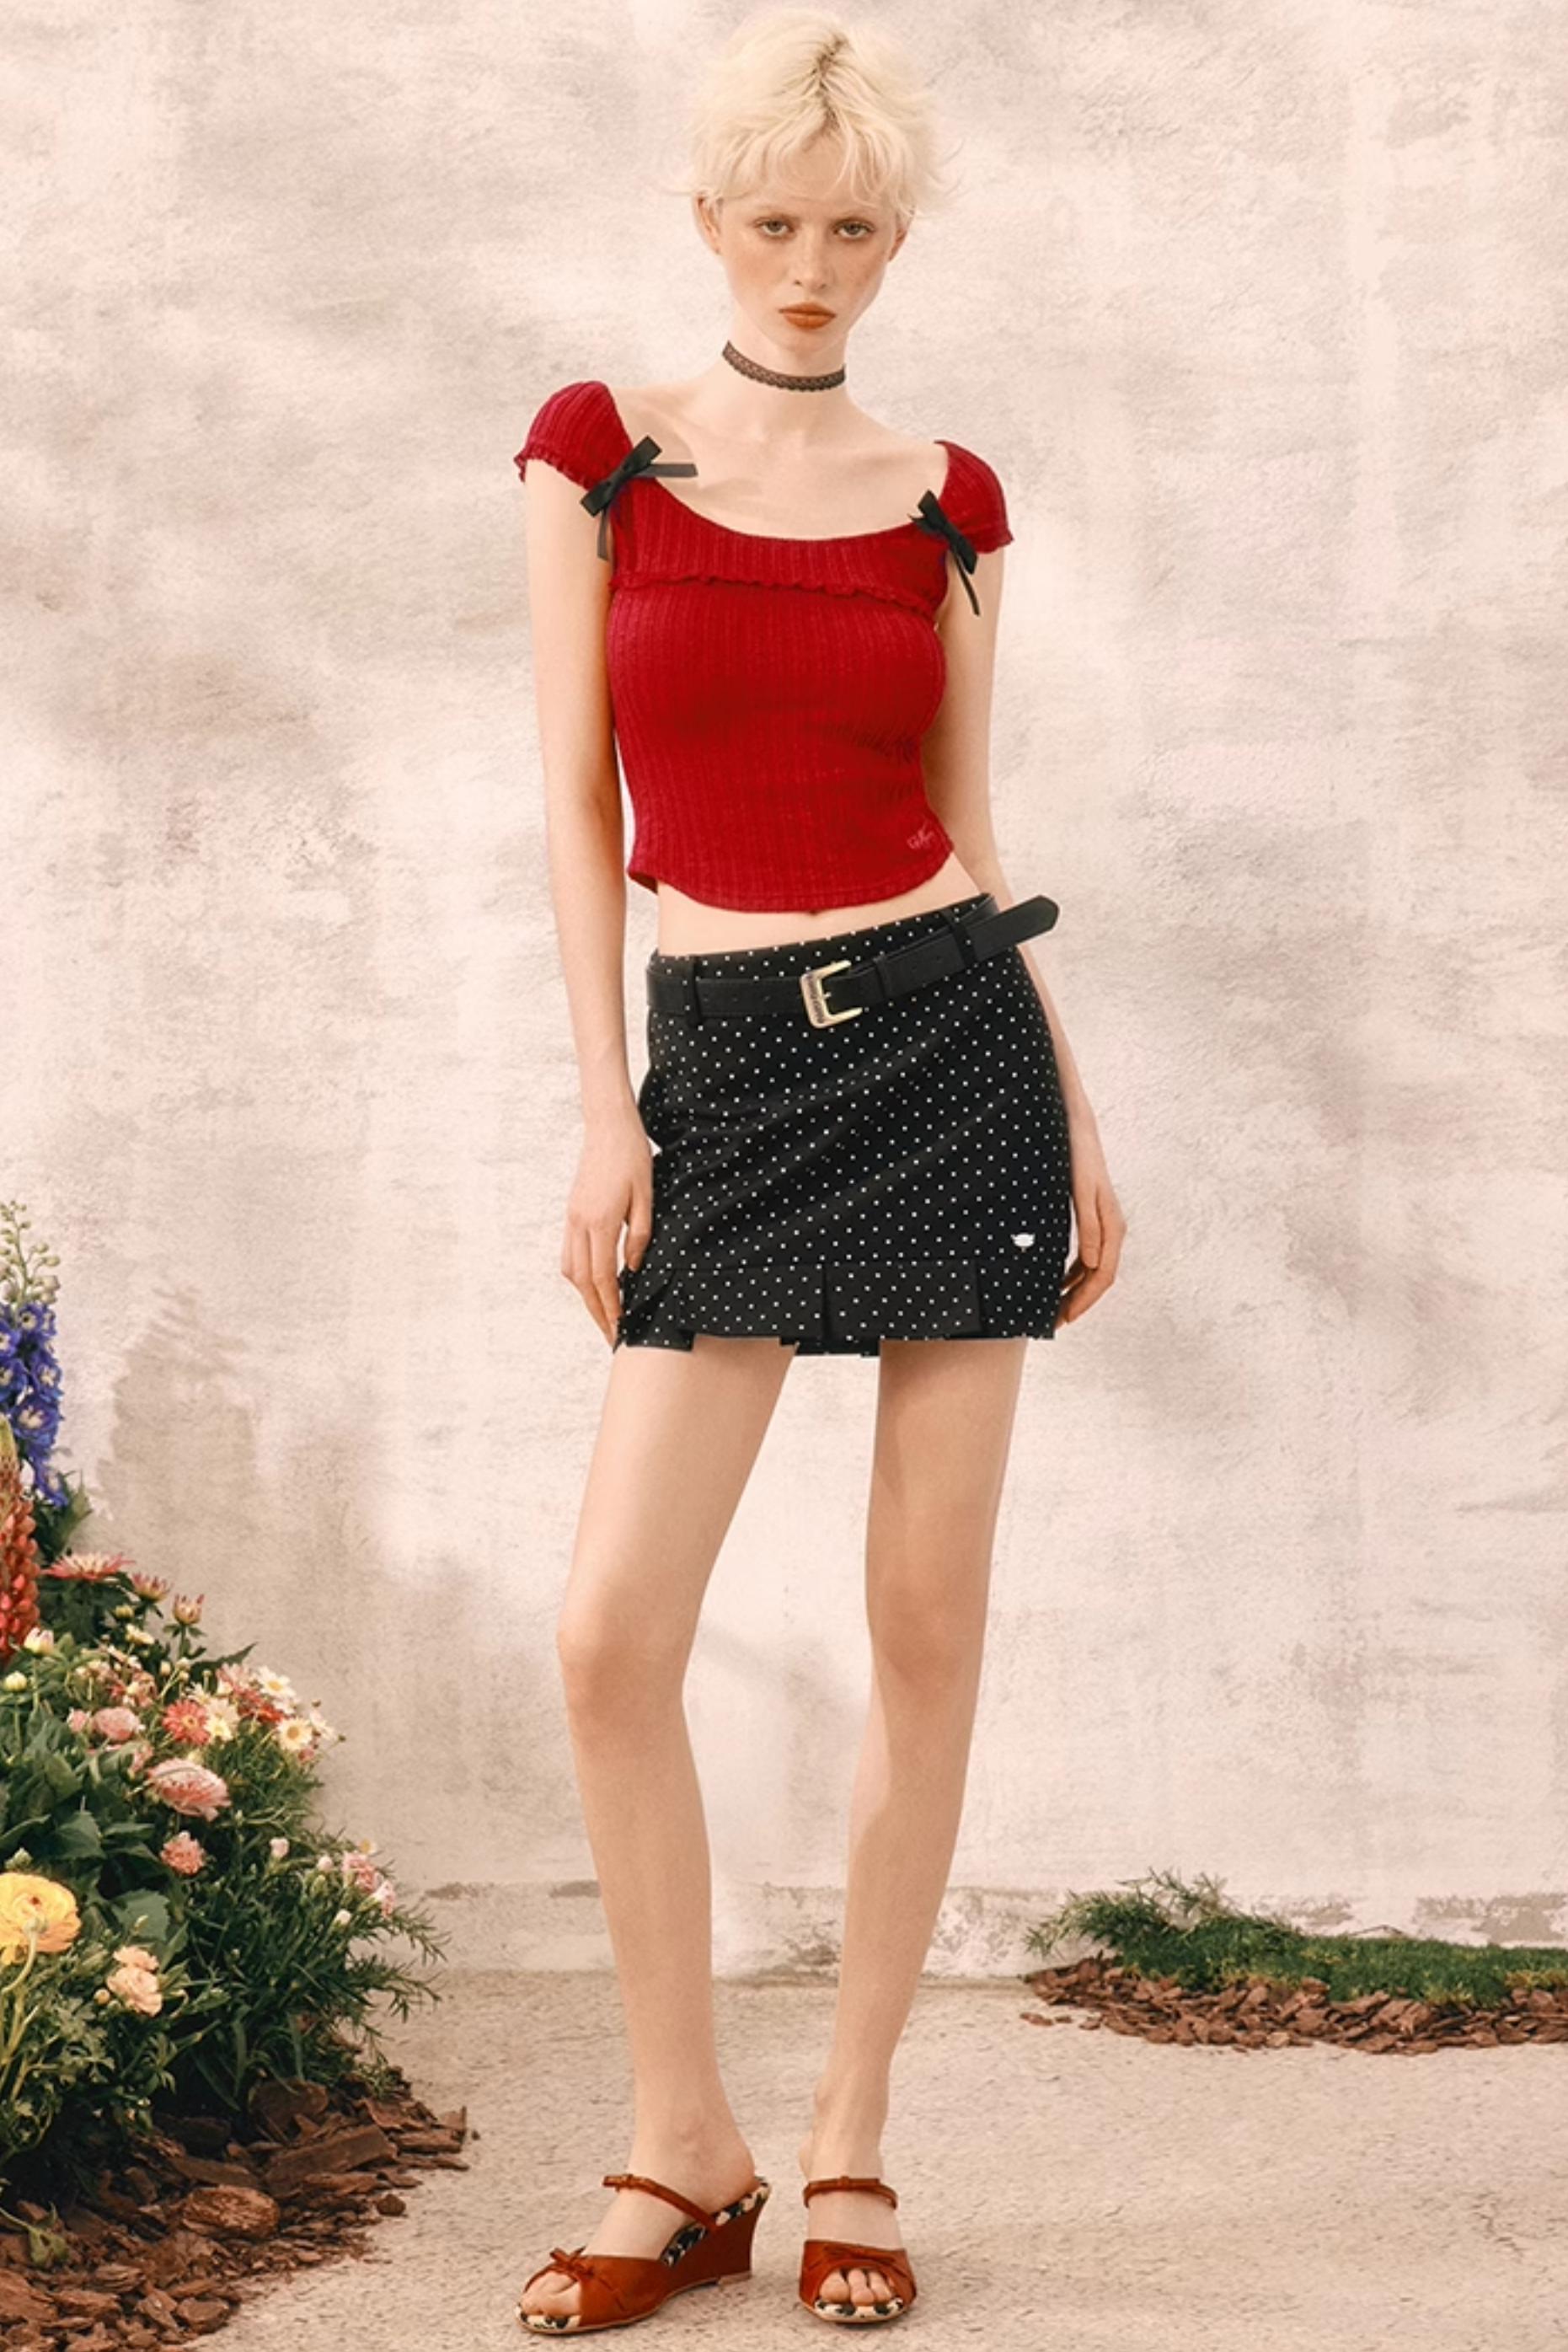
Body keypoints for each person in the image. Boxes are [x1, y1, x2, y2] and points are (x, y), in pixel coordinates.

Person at [511, 10, 1125, 2333]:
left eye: (853, 228)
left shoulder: (949, 496)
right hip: (724, 1072)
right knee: (610, 1634)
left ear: (895, 240)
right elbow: (576, 802)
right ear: (709, 220)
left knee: (922, 1624)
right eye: (773, 222)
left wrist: (1076, 1110)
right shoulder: (600, 458)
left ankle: (853, 2134)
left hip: (956, 1051)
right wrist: (609, 1108)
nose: (809, 264)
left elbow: (975, 827)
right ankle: (684, 2140)